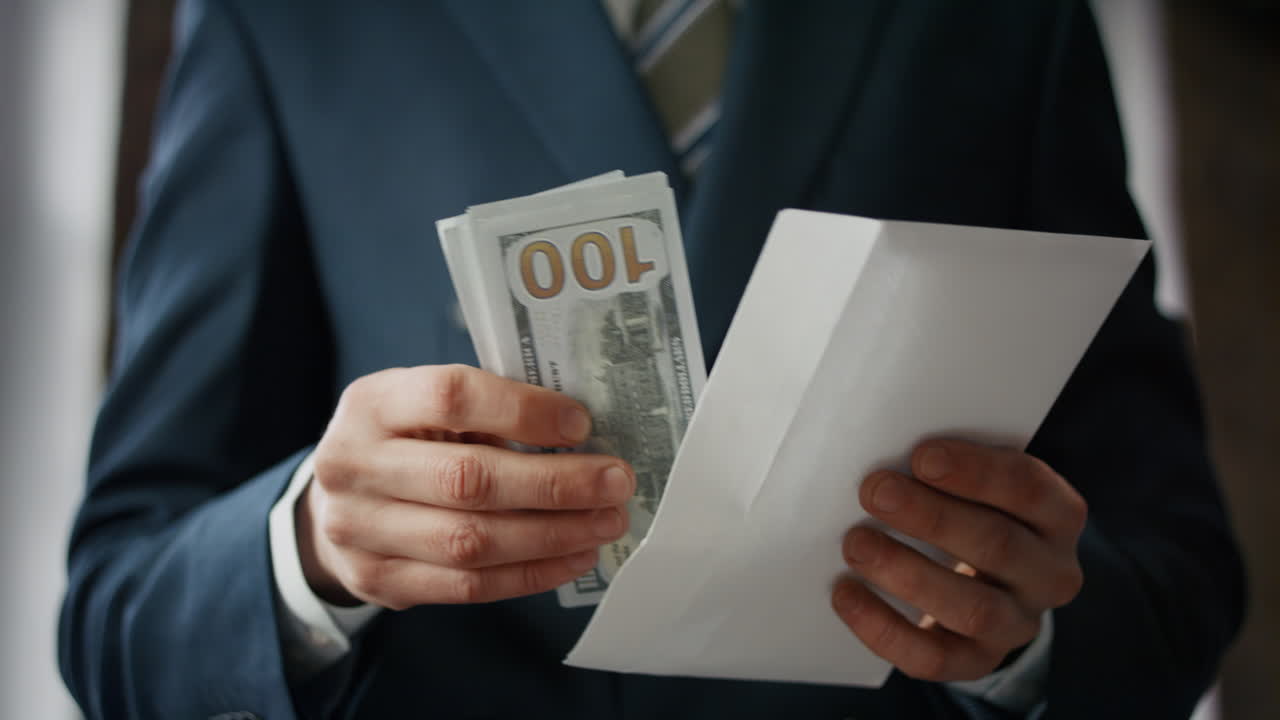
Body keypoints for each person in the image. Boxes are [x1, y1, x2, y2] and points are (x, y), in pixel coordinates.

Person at [58, 1, 1244, 718]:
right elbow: (116, 614)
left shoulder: (1002, 16)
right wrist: (307, 550)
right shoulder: (292, 19)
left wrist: (1027, 640)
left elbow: (1177, 572)